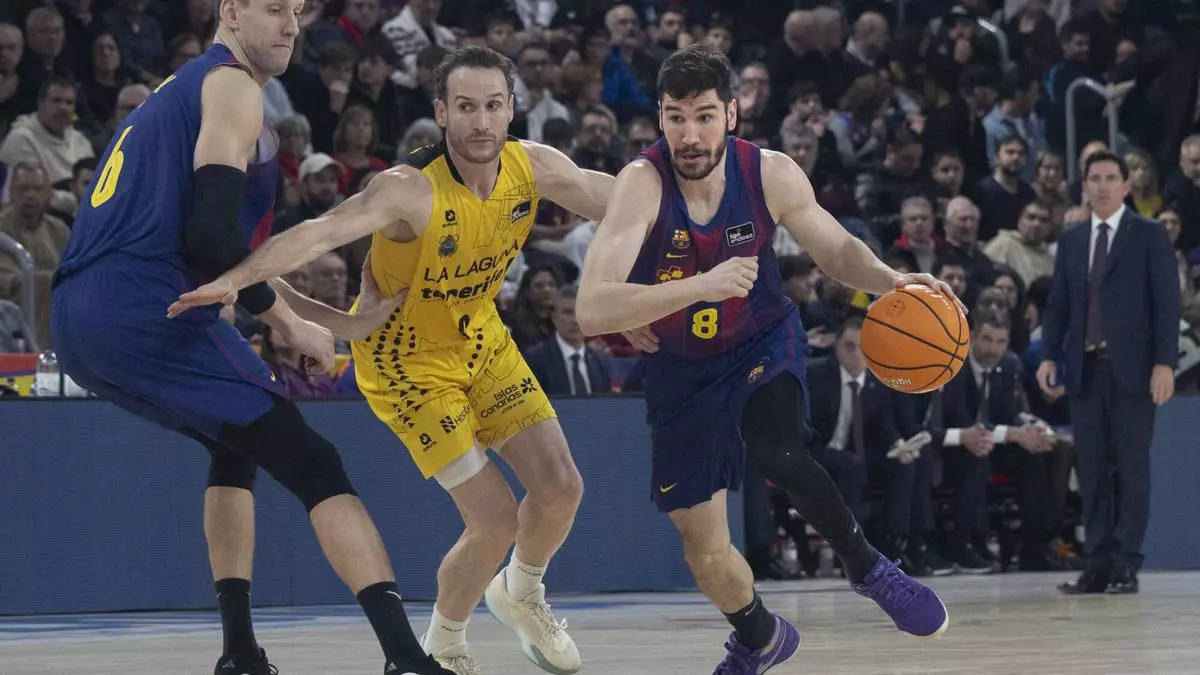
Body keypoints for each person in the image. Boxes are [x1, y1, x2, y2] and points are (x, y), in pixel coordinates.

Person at [168, 46, 615, 675]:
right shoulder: (408, 190)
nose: (482, 122)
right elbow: (317, 235)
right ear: (441, 111)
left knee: (562, 488)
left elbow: (628, 202)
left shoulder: (534, 166)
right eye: (466, 107)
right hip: (405, 362)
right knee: (494, 522)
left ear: (513, 108)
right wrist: (234, 280)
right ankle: (445, 644)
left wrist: (719, 204)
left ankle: (521, 592)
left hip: (480, 335)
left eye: (493, 106)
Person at [50, 2, 451, 674]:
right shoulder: (232, 85)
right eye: (273, 7)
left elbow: (232, 262)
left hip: (79, 317)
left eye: (297, 11)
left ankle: (240, 652)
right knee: (314, 463)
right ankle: (406, 659)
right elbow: (211, 240)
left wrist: (338, 324)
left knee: (232, 446)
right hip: (144, 304)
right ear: (231, 10)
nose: (291, 24)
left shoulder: (181, 91)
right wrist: (288, 324)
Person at [573, 45, 955, 673]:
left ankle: (868, 567)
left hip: (761, 339)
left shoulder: (769, 172)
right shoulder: (642, 184)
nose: (689, 135)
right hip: (681, 370)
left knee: (778, 450)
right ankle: (759, 636)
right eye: (675, 118)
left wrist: (891, 280)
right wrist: (697, 287)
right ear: (659, 118)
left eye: (703, 116)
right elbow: (591, 308)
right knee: (704, 551)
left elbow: (835, 249)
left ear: (731, 113)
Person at [1038, 151, 1180, 595]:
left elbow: (1167, 303)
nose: (1102, 185)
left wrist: (1165, 362)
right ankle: (1097, 562)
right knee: (1093, 469)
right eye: (1094, 178)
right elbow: (1059, 303)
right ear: (1084, 186)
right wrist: (1048, 356)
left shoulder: (1149, 234)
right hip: (1085, 370)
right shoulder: (1073, 238)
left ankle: (1125, 563)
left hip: (1134, 371)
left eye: (1110, 178)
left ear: (1126, 186)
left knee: (1131, 469)